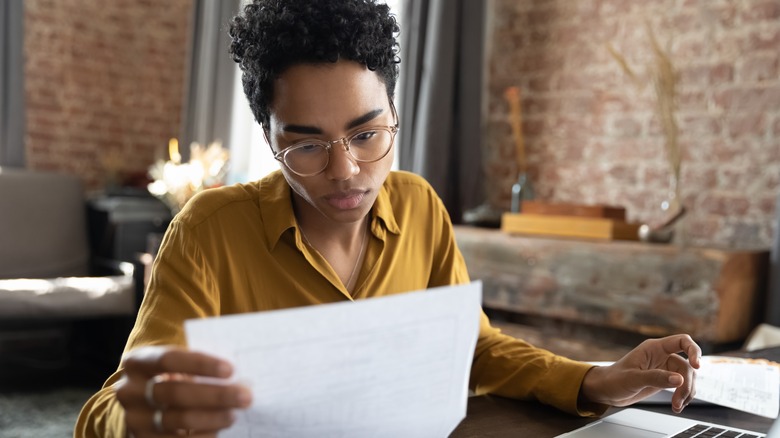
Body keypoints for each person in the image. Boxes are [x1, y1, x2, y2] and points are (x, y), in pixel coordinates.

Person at [75, 1, 701, 436]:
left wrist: (595, 380)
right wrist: (139, 414)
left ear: (394, 114)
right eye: (307, 145)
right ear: (269, 141)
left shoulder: (420, 207)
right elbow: (110, 405)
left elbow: (474, 350)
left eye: (367, 133)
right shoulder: (210, 230)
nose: (347, 171)